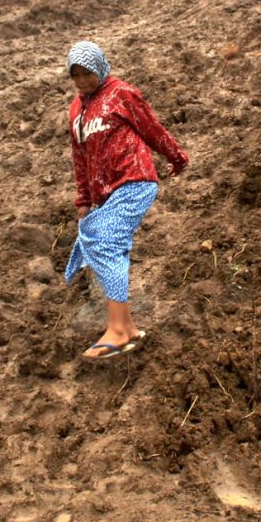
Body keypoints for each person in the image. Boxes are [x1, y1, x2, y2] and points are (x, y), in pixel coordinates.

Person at [64, 41, 188, 360]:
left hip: (134, 180)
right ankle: (129, 329)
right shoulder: (76, 110)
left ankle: (116, 330)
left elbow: (151, 128)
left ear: (100, 67)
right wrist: (83, 199)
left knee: (105, 244)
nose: (81, 81)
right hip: (105, 193)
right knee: (99, 244)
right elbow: (80, 157)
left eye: (86, 73)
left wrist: (176, 156)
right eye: (75, 75)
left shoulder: (121, 93)